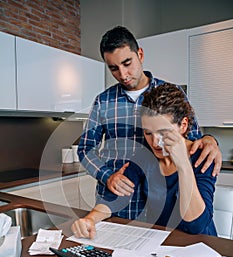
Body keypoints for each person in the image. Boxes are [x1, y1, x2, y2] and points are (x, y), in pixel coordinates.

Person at [77, 26, 221, 222]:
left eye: (127, 63)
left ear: (140, 54)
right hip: (118, 200)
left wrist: (210, 139)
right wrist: (108, 175)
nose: (123, 74)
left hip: (164, 200)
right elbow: (86, 149)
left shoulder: (170, 92)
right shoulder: (103, 101)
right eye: (113, 68)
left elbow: (192, 137)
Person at [72, 83, 217, 238]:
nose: (155, 142)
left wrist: (183, 164)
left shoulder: (203, 156)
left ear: (183, 125)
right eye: (148, 133)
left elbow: (195, 225)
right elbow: (114, 198)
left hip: (201, 247)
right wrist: (90, 219)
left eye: (163, 132)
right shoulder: (144, 157)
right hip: (161, 244)